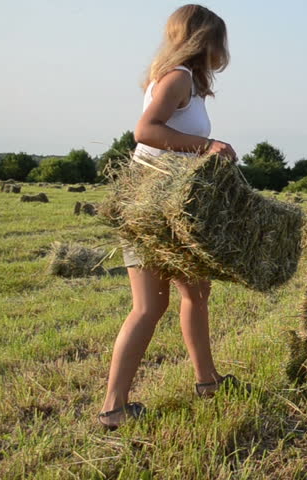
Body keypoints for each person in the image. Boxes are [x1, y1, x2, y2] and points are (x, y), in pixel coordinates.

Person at [98, 4, 239, 430]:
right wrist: (207, 145)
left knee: (196, 293)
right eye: (218, 40)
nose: (222, 50)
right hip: (150, 205)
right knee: (148, 306)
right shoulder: (177, 77)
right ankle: (113, 406)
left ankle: (208, 381)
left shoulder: (188, 84)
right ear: (202, 40)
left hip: (171, 206)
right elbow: (146, 131)